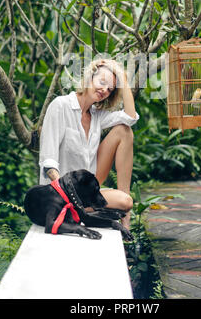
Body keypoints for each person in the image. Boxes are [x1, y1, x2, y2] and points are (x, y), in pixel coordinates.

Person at [38, 58, 139, 229]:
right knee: (125, 201)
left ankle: (126, 223)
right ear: (89, 78)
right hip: (61, 193)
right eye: (102, 82)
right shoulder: (60, 106)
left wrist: (122, 76)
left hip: (86, 189)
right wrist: (70, 197)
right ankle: (81, 210)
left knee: (124, 131)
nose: (104, 90)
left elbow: (130, 117)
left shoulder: (97, 115)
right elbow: (48, 162)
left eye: (110, 88)